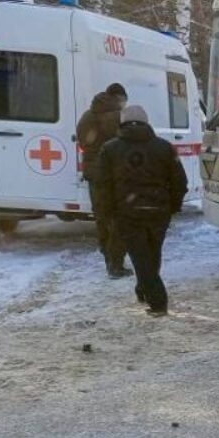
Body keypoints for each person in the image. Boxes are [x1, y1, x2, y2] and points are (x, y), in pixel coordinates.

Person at [95, 105, 188, 317]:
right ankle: (144, 289)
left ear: (122, 123)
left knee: (141, 257)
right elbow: (180, 181)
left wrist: (106, 213)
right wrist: (173, 205)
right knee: (151, 254)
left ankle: (158, 303)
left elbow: (102, 186)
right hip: (158, 211)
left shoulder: (109, 149)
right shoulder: (164, 148)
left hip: (127, 212)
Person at [76, 83, 129, 278]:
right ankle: (116, 264)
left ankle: (108, 259)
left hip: (93, 174)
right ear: (119, 98)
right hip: (114, 175)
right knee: (118, 218)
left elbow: (83, 142)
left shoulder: (87, 116)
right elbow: (125, 143)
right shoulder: (118, 117)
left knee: (102, 216)